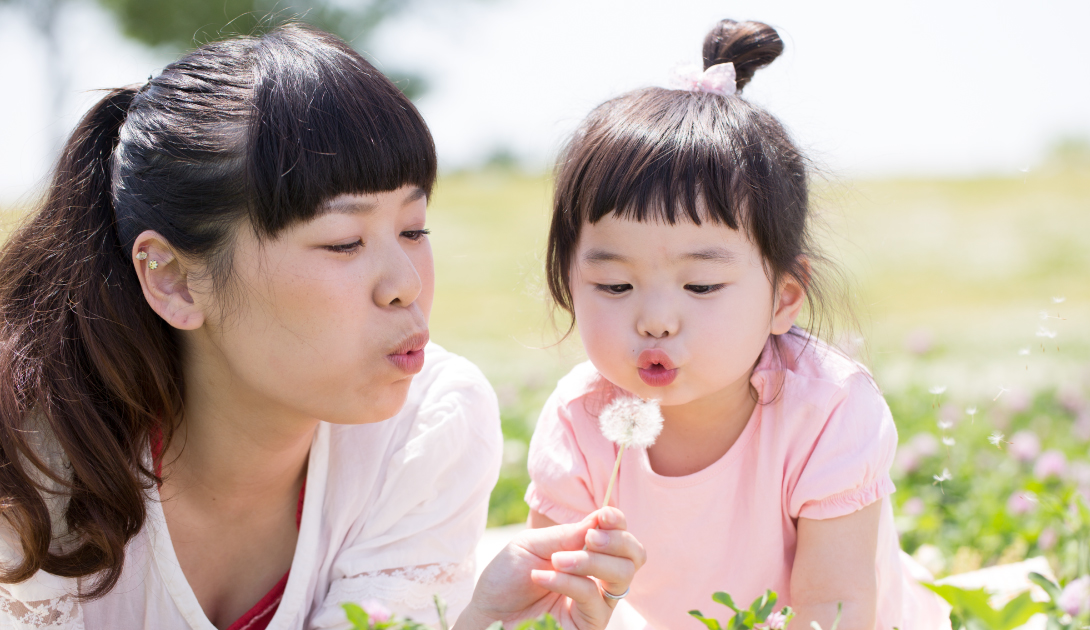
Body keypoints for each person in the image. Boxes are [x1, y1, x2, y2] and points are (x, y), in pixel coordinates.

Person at [0, 24, 643, 630]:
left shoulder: (428, 424)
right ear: (172, 277)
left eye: (414, 229)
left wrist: (475, 620)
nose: (406, 284)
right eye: (343, 242)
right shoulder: (30, 458)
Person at [524, 20, 950, 630]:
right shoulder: (578, 419)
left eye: (701, 286)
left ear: (783, 297)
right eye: (614, 285)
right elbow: (548, 603)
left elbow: (835, 609)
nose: (655, 320)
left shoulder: (827, 408)